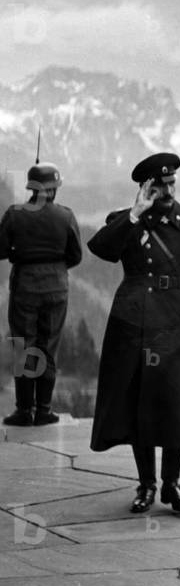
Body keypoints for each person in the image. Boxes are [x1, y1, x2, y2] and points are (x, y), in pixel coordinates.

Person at [88, 153, 180, 514]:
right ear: (145, 187)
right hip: (136, 325)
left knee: (178, 404)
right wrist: (134, 214)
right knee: (140, 404)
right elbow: (100, 249)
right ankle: (146, 484)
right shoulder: (126, 221)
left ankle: (171, 484)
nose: (167, 190)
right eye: (158, 185)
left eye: (171, 183)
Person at [0, 161, 82, 426]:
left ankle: (24, 411)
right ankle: (44, 410)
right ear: (54, 189)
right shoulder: (66, 216)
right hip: (57, 289)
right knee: (48, 348)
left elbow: (1, 250)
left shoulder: (15, 214)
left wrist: (18, 254)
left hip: (25, 286)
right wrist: (56, 267)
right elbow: (75, 255)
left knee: (24, 346)